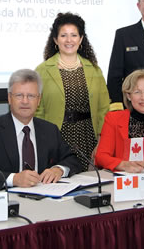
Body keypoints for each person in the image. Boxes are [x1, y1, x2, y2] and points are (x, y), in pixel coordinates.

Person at [0, 69, 81, 190]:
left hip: (46, 198)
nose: (25, 101)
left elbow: (72, 159)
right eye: (19, 95)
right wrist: (14, 179)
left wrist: (59, 170)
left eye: (31, 96)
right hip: (8, 200)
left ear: (39, 100)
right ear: (9, 98)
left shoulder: (50, 130)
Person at [35, 12, 109, 171]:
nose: (69, 40)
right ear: (55, 39)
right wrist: (43, 143)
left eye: (74, 35)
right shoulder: (42, 71)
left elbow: (104, 109)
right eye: (63, 35)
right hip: (58, 139)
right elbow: (38, 111)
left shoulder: (94, 70)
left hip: (89, 138)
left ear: (81, 39)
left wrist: (102, 143)